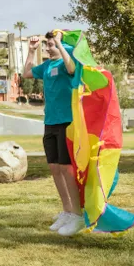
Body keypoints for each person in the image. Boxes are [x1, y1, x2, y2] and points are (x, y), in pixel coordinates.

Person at [23, 31, 84, 236]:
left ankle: (77, 215)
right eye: (46, 45)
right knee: (55, 168)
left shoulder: (69, 61)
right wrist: (31, 52)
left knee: (67, 170)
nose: (47, 48)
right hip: (50, 122)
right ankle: (67, 211)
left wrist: (59, 42)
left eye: (51, 45)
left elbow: (71, 68)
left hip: (68, 122)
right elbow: (27, 73)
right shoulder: (47, 66)